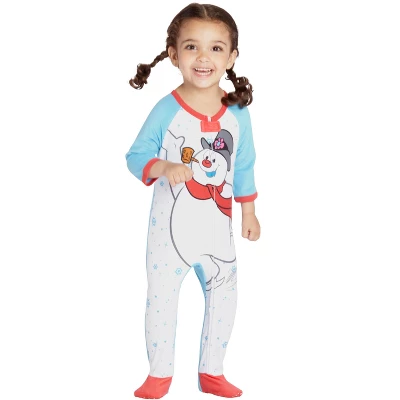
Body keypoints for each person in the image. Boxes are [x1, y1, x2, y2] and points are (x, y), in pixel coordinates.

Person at [125, 3, 260, 398]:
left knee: (224, 298)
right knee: (161, 301)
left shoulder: (237, 113)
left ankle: (212, 371)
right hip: (169, 238)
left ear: (231, 57)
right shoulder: (166, 109)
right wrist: (164, 166)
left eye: (216, 48)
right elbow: (136, 156)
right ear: (173, 55)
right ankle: (159, 374)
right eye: (191, 47)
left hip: (218, 234)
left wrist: (249, 212)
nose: (203, 58)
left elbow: (245, 164)